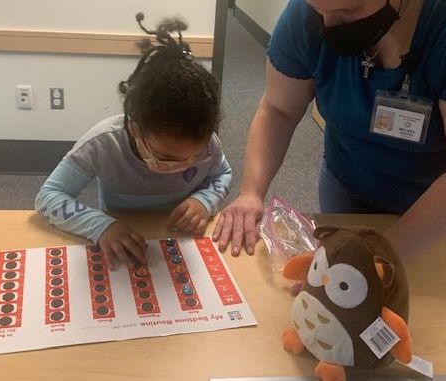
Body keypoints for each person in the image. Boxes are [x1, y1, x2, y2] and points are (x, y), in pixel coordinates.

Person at [213, 0, 446, 259]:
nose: (327, 26)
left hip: (432, 208)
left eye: (349, 11)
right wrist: (251, 193)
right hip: (346, 180)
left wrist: (376, 256)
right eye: (317, 11)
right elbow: (279, 110)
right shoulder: (305, 16)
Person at [35, 13, 232, 269]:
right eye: (168, 158)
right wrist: (100, 226)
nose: (185, 165)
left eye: (195, 156)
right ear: (135, 128)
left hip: (176, 237)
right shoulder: (104, 143)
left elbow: (223, 173)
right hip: (122, 231)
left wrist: (204, 200)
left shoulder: (208, 144)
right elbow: (48, 196)